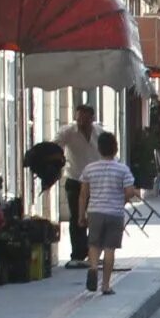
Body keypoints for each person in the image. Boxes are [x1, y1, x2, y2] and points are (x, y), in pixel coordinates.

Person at [77, 131, 140, 295]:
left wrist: (81, 215)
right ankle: (105, 285)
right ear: (115, 149)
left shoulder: (89, 169)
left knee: (94, 244)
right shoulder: (122, 170)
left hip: (95, 211)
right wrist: (122, 200)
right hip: (114, 212)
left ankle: (92, 268)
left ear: (99, 149)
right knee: (110, 248)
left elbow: (83, 194)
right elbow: (130, 191)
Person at [58, 103, 100, 266]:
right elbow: (56, 145)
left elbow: (106, 150)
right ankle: (77, 253)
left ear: (91, 118)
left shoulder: (99, 132)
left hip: (95, 181)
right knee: (77, 217)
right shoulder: (68, 132)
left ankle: (93, 251)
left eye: (85, 118)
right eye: (78, 117)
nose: (81, 121)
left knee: (95, 216)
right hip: (75, 179)